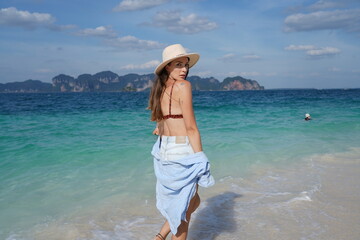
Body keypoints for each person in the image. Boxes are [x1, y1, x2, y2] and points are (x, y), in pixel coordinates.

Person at [148, 44, 214, 240]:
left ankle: (159, 237)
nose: (184, 69)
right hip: (182, 151)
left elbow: (159, 122)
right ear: (167, 66)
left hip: (163, 152)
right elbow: (191, 127)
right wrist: (200, 158)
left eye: (186, 65)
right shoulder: (184, 86)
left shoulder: (159, 89)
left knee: (191, 201)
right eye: (178, 65)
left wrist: (162, 127)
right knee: (184, 211)